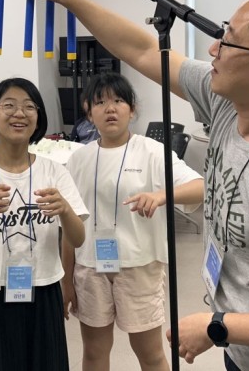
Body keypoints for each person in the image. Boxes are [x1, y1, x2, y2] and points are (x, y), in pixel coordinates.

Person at [17, 0, 249, 371]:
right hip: (246, 352)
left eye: (230, 42)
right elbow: (144, 50)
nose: (214, 49)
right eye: (222, 33)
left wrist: (218, 326)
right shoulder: (226, 103)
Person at [64, 72, 204, 371]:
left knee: (149, 353)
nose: (110, 109)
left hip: (140, 266)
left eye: (118, 101)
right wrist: (66, 279)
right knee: (94, 352)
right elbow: (69, 223)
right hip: (90, 268)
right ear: (88, 112)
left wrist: (162, 195)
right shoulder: (78, 159)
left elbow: (201, 187)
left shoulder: (152, 151)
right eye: (100, 102)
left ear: (132, 109)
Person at [0, 77, 88, 371]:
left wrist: (65, 211)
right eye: (9, 105)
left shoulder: (55, 172)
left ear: (38, 118)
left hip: (45, 288)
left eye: (29, 107)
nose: (19, 113)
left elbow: (78, 238)